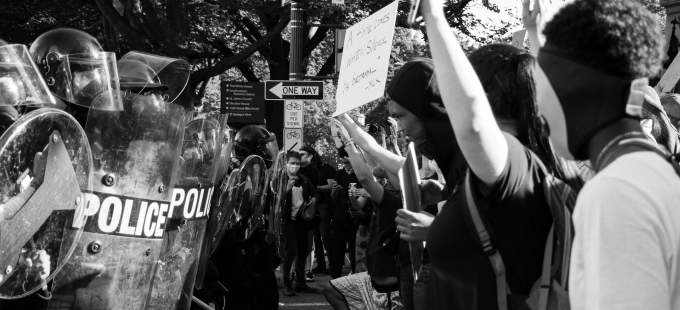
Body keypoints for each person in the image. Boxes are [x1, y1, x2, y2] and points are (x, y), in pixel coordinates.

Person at [394, 0, 579, 308]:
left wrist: (434, 15)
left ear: (483, 95)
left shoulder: (515, 159)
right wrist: (536, 33)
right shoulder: (537, 154)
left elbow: (473, 126)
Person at [533, 0, 680, 309]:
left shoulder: (615, 192)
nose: (538, 108)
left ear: (578, 88)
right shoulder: (651, 167)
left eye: (543, 88)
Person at [280, 150, 323, 296]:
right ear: (286, 164)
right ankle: (287, 284)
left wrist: (314, 199)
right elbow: (273, 201)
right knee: (290, 252)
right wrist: (285, 189)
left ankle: (300, 283)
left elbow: (315, 193)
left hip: (302, 221)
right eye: (292, 163)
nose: (295, 166)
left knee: (304, 250)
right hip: (287, 221)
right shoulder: (280, 179)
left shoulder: (303, 179)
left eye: (297, 164)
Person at [302, 146, 337, 275]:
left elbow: (330, 186)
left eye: (303, 154)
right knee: (315, 236)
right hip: (311, 205)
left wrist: (313, 188)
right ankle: (320, 263)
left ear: (311, 156)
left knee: (325, 234)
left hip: (324, 204)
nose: (300, 157)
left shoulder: (327, 168)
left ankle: (333, 264)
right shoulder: (306, 169)